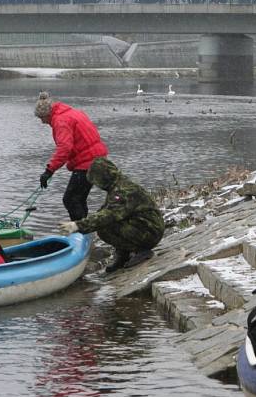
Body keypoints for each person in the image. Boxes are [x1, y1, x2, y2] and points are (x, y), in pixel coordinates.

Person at [58, 157, 165, 273]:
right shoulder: (117, 184)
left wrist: (78, 225)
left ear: (102, 177)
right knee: (108, 224)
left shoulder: (122, 191)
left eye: (96, 181)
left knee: (105, 228)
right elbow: (105, 210)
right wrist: (85, 223)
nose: (96, 185)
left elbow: (108, 215)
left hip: (150, 231)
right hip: (145, 225)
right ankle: (123, 255)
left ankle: (142, 250)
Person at [35, 92, 108, 221]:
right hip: (97, 159)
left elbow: (64, 148)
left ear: (47, 114)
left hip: (87, 162)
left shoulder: (60, 121)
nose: (42, 122)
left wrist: (49, 170)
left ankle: (79, 232)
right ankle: (85, 228)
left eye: (42, 118)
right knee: (79, 199)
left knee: (70, 199)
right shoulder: (71, 112)